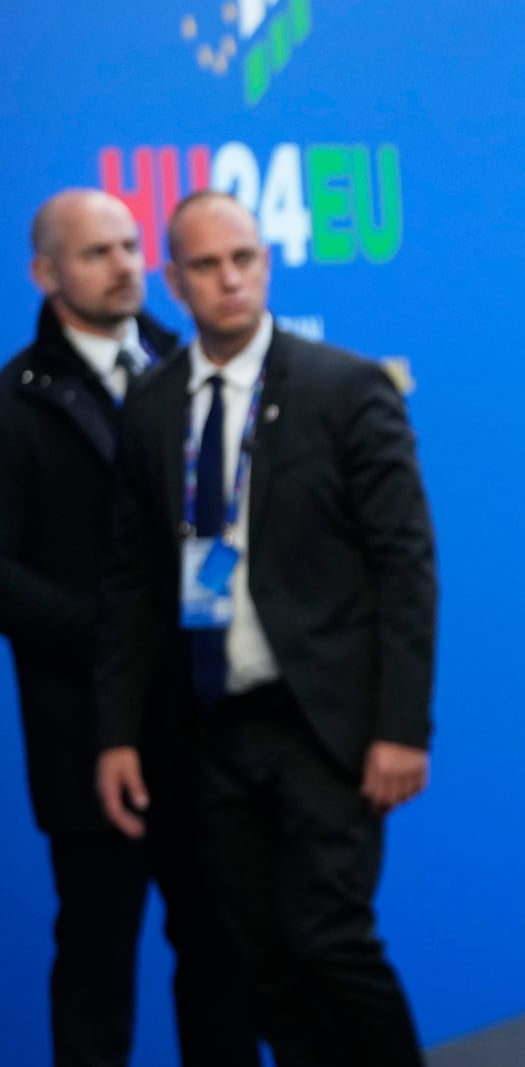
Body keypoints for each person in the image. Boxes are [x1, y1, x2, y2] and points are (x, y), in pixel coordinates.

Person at [94, 189, 438, 1067]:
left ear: (267, 263)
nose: (230, 279)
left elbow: (405, 565)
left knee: (330, 938)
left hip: (324, 722)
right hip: (209, 727)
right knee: (256, 957)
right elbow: (131, 584)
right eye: (207, 266)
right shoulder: (151, 405)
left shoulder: (344, 387)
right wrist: (117, 733)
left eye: (244, 258)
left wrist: (401, 727)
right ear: (173, 280)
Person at [0, 189, 257, 1067]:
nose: (122, 267)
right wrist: (119, 638)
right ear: (45, 273)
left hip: (204, 724)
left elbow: (223, 522)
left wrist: (210, 611)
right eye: (95, 252)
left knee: (221, 955)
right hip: (86, 734)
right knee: (97, 964)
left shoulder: (188, 367)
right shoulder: (14, 401)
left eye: (130, 245)